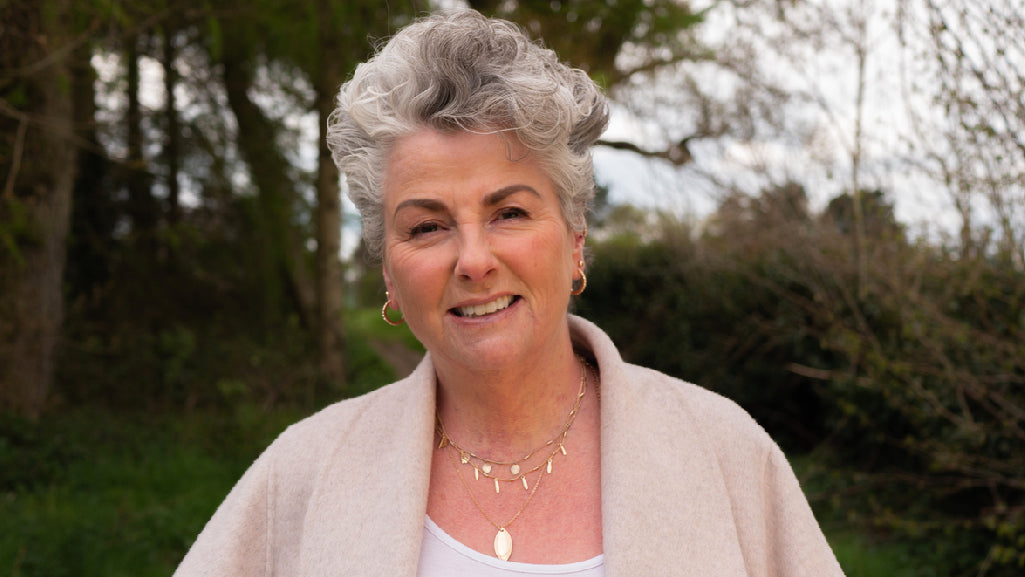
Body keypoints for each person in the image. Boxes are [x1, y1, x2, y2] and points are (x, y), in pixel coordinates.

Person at [174, 10, 845, 577]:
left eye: (510, 213)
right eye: (427, 226)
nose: (473, 260)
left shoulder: (726, 453)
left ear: (574, 238)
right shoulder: (302, 474)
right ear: (388, 273)